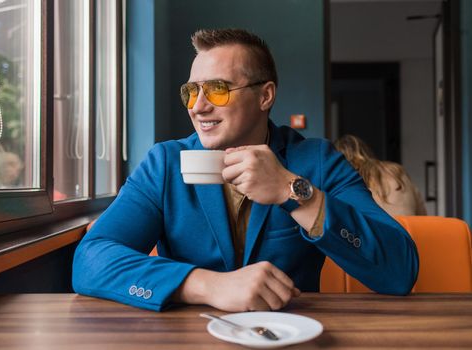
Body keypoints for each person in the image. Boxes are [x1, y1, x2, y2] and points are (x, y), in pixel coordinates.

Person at [73, 29, 418, 312]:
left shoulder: (316, 161)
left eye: (218, 90)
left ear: (265, 96)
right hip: (187, 338)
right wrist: (206, 285)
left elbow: (400, 271)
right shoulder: (164, 163)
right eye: (191, 91)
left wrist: (294, 190)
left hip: (291, 336)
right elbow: (90, 261)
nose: (198, 106)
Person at [334, 134, 427, 216]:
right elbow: (422, 215)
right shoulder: (397, 171)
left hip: (382, 234)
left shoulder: (350, 180)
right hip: (411, 233)